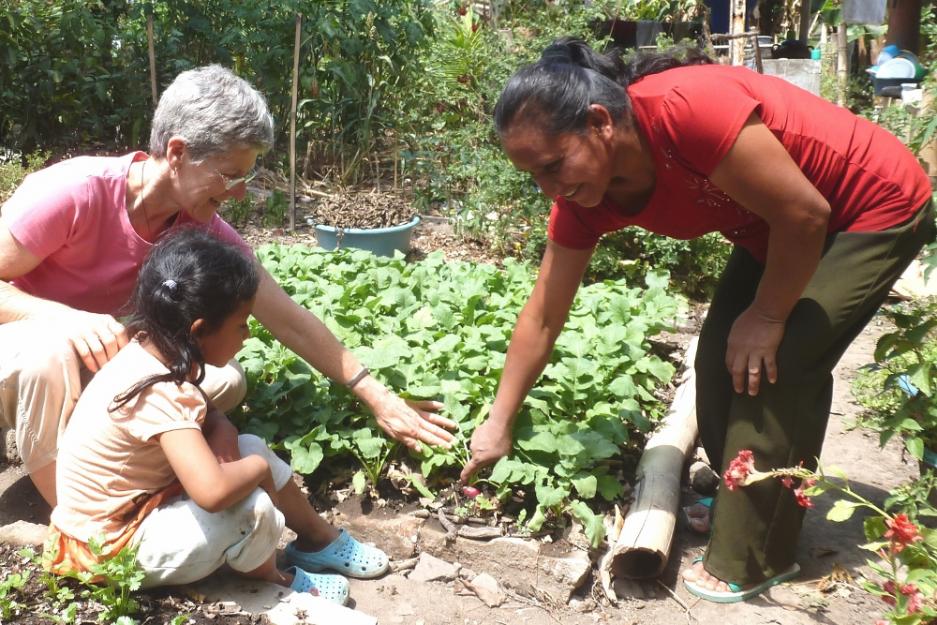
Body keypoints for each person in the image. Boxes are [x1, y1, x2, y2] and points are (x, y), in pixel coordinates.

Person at [459, 37, 934, 603]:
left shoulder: (685, 110)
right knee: (717, 359)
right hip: (777, 222)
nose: (549, 187)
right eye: (533, 175)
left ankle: (755, 554)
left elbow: (807, 214)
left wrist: (768, 314)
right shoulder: (586, 199)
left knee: (778, 362)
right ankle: (745, 495)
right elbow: (542, 313)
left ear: (599, 122)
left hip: (868, 204)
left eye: (554, 164)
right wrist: (499, 420)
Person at [0, 64, 456, 507]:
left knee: (225, 379)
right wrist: (62, 320)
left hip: (98, 357)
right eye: (229, 173)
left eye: (247, 176)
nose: (239, 192)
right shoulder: (74, 192)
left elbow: (287, 318)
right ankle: (74, 520)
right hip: (26, 350)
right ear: (177, 153)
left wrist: (378, 396)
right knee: (50, 356)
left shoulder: (201, 228)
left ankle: (97, 449)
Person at [47, 229, 387, 603]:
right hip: (106, 549)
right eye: (241, 324)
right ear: (200, 330)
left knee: (249, 446)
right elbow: (211, 493)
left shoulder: (154, 348)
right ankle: (277, 580)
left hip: (138, 509)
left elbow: (210, 417)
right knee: (250, 507)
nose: (247, 333)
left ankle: (317, 539)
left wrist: (229, 445)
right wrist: (255, 470)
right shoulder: (159, 392)